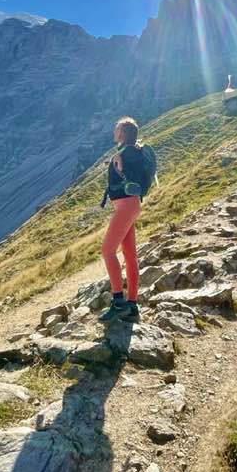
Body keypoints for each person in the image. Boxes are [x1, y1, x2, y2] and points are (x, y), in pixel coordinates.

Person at [98, 116, 147, 323]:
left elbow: (124, 167)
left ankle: (118, 301)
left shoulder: (125, 153)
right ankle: (132, 306)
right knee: (129, 254)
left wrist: (119, 163)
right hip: (131, 205)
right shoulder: (134, 152)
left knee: (108, 251)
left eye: (117, 128)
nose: (114, 131)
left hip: (126, 206)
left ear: (123, 133)